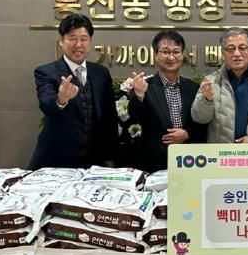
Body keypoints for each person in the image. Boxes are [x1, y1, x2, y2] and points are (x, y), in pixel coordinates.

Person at [28, 13, 119, 169]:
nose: (78, 44)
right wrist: (61, 99)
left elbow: (109, 119)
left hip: (94, 160)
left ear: (90, 41)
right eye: (72, 38)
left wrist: (110, 157)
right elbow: (46, 105)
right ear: (61, 41)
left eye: (84, 39)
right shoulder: (46, 72)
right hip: (57, 159)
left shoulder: (101, 73)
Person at [127, 30, 207, 172]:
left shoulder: (193, 88)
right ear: (156, 55)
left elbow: (202, 123)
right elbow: (134, 118)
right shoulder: (145, 86)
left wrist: (187, 134)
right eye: (165, 52)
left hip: (188, 160)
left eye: (176, 52)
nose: (171, 57)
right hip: (154, 162)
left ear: (182, 55)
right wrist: (139, 94)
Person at [191, 27, 248, 143]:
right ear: (223, 53)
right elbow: (199, 118)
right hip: (222, 152)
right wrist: (206, 100)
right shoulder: (211, 81)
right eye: (230, 49)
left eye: (242, 48)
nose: (236, 54)